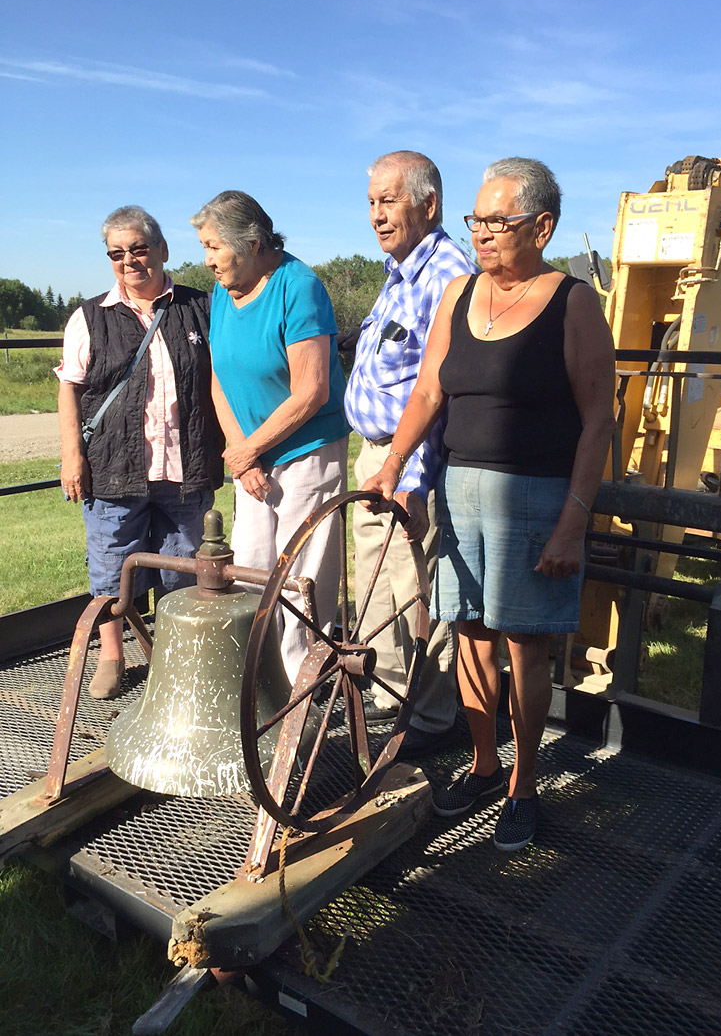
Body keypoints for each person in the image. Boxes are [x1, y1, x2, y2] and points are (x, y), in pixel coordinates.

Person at [363, 157, 616, 849]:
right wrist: (391, 467)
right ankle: (482, 763)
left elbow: (599, 419)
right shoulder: (460, 296)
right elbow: (427, 394)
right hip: (460, 490)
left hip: (535, 498)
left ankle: (523, 784)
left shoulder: (573, 302)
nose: (481, 233)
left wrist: (573, 521)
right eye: (476, 219)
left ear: (543, 226)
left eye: (496, 221)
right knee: (471, 640)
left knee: (524, 649)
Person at [57, 206, 224, 699]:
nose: (129, 260)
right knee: (111, 566)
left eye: (138, 249)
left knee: (183, 569)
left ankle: (174, 659)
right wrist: (72, 454)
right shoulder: (90, 317)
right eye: (117, 253)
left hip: (186, 465)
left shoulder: (202, 307)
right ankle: (112, 655)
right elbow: (70, 387)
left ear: (162, 250)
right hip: (113, 468)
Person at [345, 151, 479, 759]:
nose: (376, 214)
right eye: (372, 201)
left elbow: (439, 390)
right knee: (378, 594)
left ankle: (428, 719)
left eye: (388, 200)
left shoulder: (447, 273)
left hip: (406, 465)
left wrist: (413, 478)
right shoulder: (401, 269)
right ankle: (391, 702)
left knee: (412, 594)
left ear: (428, 205)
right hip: (376, 457)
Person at [190, 191, 349, 680]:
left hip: (307, 453)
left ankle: (298, 701)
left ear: (254, 242)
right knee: (254, 575)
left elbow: (312, 391)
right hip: (252, 459)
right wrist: (245, 455)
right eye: (205, 246)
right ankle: (258, 689)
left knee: (298, 583)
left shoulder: (298, 287)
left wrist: (250, 449)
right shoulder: (224, 290)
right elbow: (219, 376)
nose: (208, 259)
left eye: (215, 246)